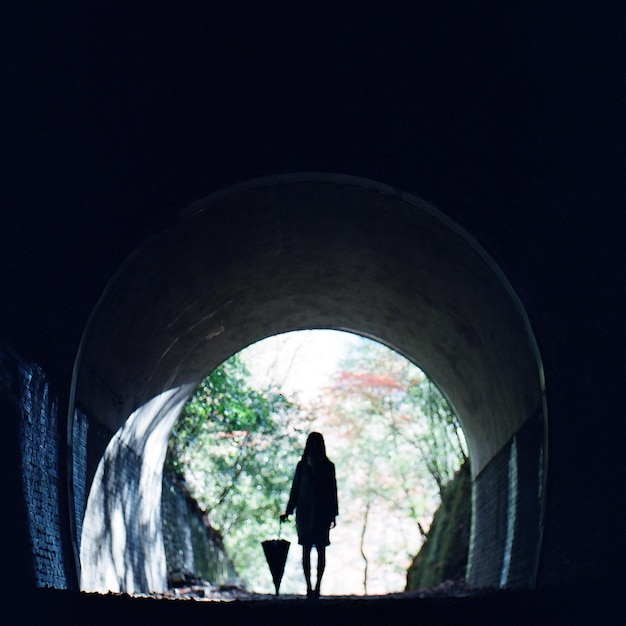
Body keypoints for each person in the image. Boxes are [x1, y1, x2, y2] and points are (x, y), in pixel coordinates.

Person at [280, 432, 338, 599]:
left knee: (321, 550)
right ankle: (308, 587)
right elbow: (295, 490)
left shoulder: (328, 466)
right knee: (305, 550)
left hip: (322, 513)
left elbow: (332, 491)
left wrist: (333, 514)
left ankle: (318, 586)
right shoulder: (301, 467)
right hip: (304, 514)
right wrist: (289, 511)